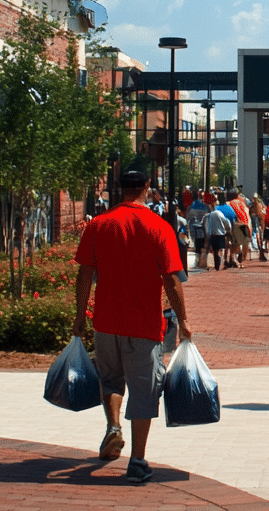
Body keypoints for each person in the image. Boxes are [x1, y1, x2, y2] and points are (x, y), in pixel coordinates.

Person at [72, 170, 190, 484]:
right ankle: (137, 461)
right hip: (144, 325)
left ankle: (113, 426)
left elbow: (84, 274)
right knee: (144, 391)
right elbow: (171, 278)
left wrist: (80, 315)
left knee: (110, 380)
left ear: (120, 188)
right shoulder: (159, 226)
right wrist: (184, 320)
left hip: (106, 321)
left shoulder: (99, 225)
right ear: (147, 188)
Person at [203, 198, 232, 272]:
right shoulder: (218, 213)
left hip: (212, 234)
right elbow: (226, 222)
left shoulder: (208, 216)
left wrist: (207, 234)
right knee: (220, 250)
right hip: (220, 234)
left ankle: (216, 265)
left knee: (215, 251)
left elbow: (206, 226)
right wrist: (229, 229)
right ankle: (220, 265)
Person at [186, 195, 209, 271]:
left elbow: (188, 217)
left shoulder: (192, 205)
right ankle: (201, 261)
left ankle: (198, 261)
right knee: (202, 245)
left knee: (197, 245)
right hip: (202, 228)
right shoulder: (205, 206)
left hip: (194, 229)